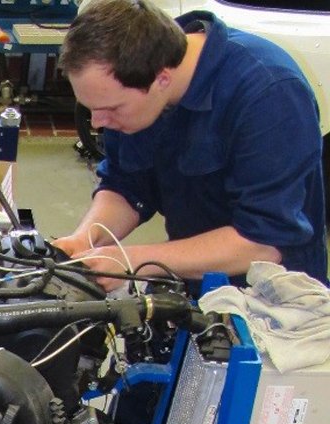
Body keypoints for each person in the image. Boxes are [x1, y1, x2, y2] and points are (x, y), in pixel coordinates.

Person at [53, 0, 327, 295]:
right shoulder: (137, 73)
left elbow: (264, 243)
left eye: (110, 109)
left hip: (272, 301)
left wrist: (131, 260)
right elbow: (127, 185)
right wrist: (85, 240)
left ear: (162, 79)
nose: (97, 122)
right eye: (91, 109)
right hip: (193, 280)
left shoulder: (270, 93)